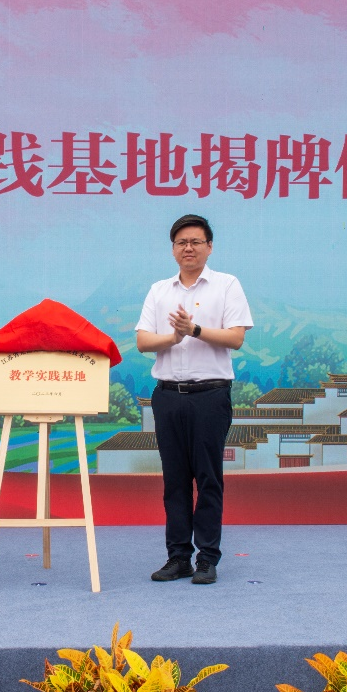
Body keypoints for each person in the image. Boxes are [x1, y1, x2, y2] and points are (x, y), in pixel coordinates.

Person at [135, 214, 253, 585]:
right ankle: (178, 557)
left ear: (209, 247)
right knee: (174, 480)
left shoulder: (226, 285)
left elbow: (236, 338)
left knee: (208, 478)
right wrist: (173, 338)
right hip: (168, 396)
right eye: (181, 242)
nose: (188, 248)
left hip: (210, 396)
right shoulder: (159, 290)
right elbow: (143, 341)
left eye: (196, 242)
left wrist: (194, 330)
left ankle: (207, 558)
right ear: (173, 249)